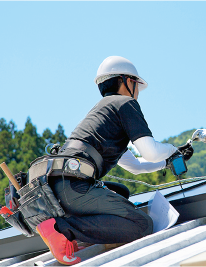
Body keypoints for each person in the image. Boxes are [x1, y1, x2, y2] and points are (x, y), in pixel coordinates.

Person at [35, 56, 193, 265]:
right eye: (136, 84)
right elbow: (151, 152)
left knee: (122, 193)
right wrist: (173, 150)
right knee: (141, 225)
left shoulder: (103, 112)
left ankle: (74, 233)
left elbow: (135, 166)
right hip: (74, 186)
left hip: (62, 185)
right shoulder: (125, 103)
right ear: (126, 81)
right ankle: (62, 229)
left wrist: (167, 161)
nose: (137, 92)